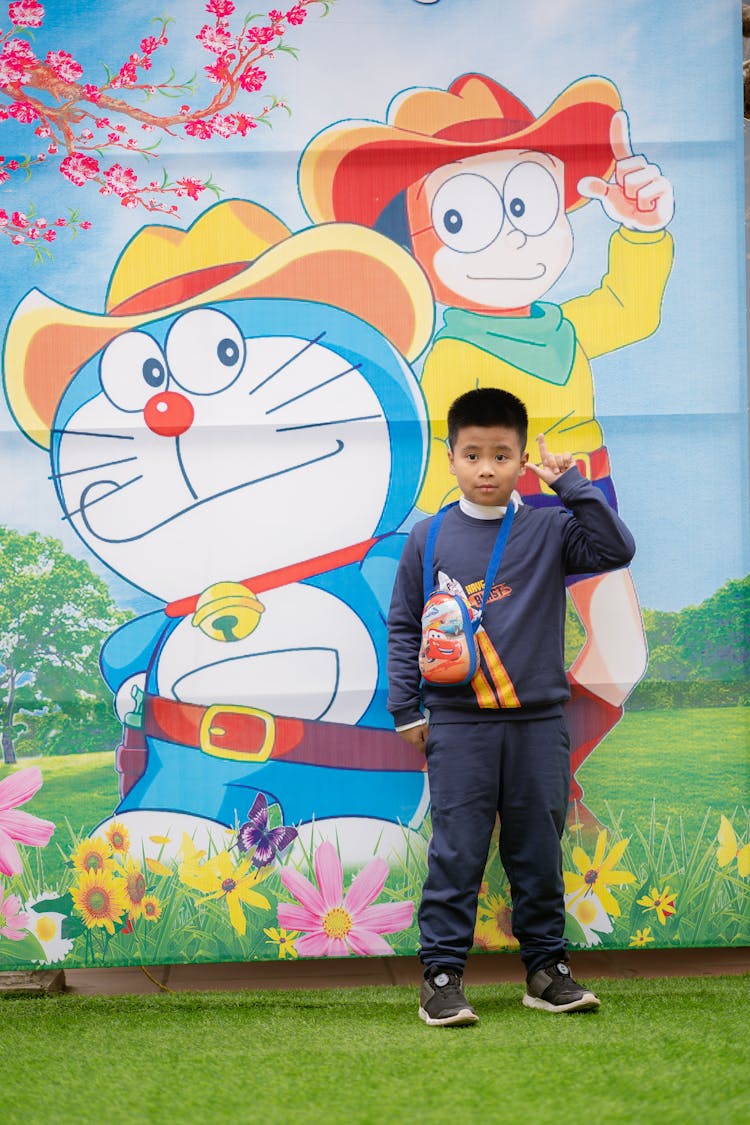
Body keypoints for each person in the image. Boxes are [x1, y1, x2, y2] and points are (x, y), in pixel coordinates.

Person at [386, 386, 636, 1025]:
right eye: (474, 455)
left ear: (524, 458)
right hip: (459, 726)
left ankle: (547, 971)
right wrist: (407, 711)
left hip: (538, 723)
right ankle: (441, 976)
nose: (488, 468)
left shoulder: (550, 528)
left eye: (502, 454)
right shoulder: (428, 537)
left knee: (536, 851)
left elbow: (615, 549)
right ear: (452, 458)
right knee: (457, 852)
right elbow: (405, 628)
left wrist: (572, 486)